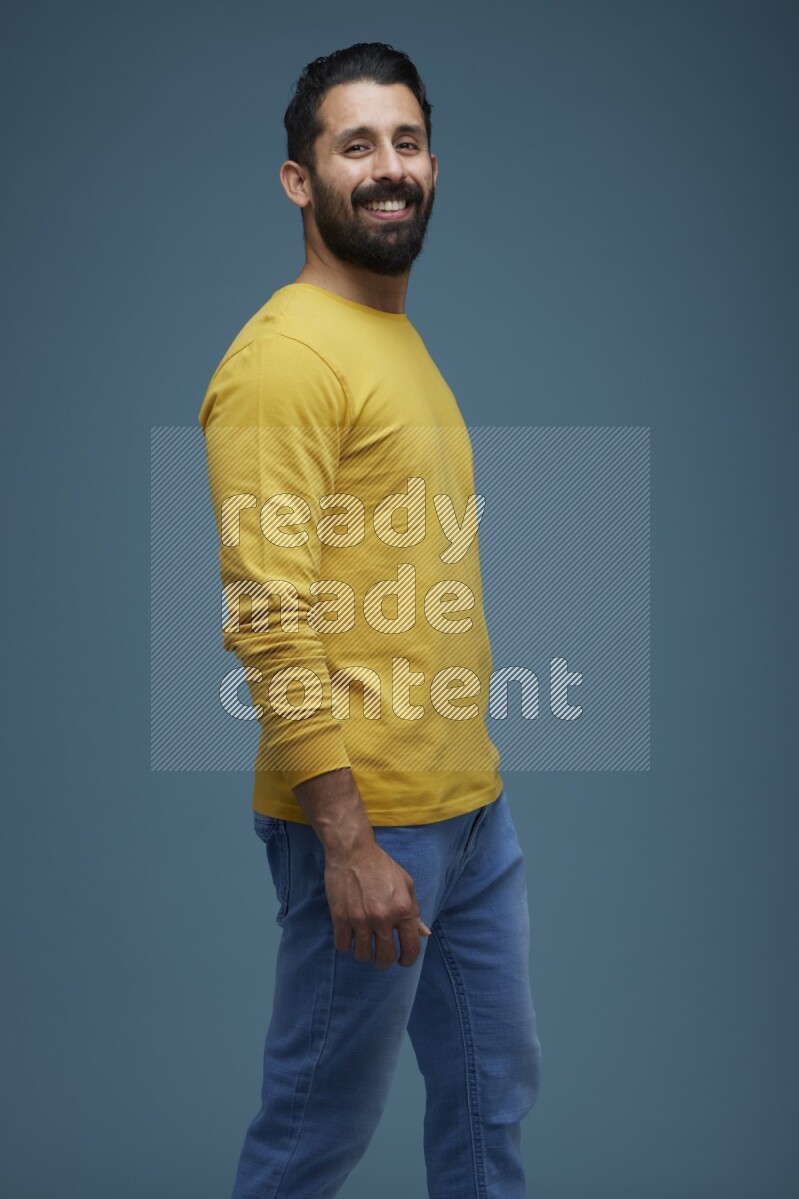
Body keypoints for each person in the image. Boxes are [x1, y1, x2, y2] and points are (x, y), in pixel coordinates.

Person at [199, 41, 542, 1199]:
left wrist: (474, 794)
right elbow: (268, 612)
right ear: (300, 180)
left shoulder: (392, 339)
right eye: (355, 146)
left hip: (468, 815)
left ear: (433, 166)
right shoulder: (284, 359)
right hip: (368, 823)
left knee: (491, 1110)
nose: (385, 167)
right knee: (313, 1137)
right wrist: (347, 842)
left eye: (404, 143)